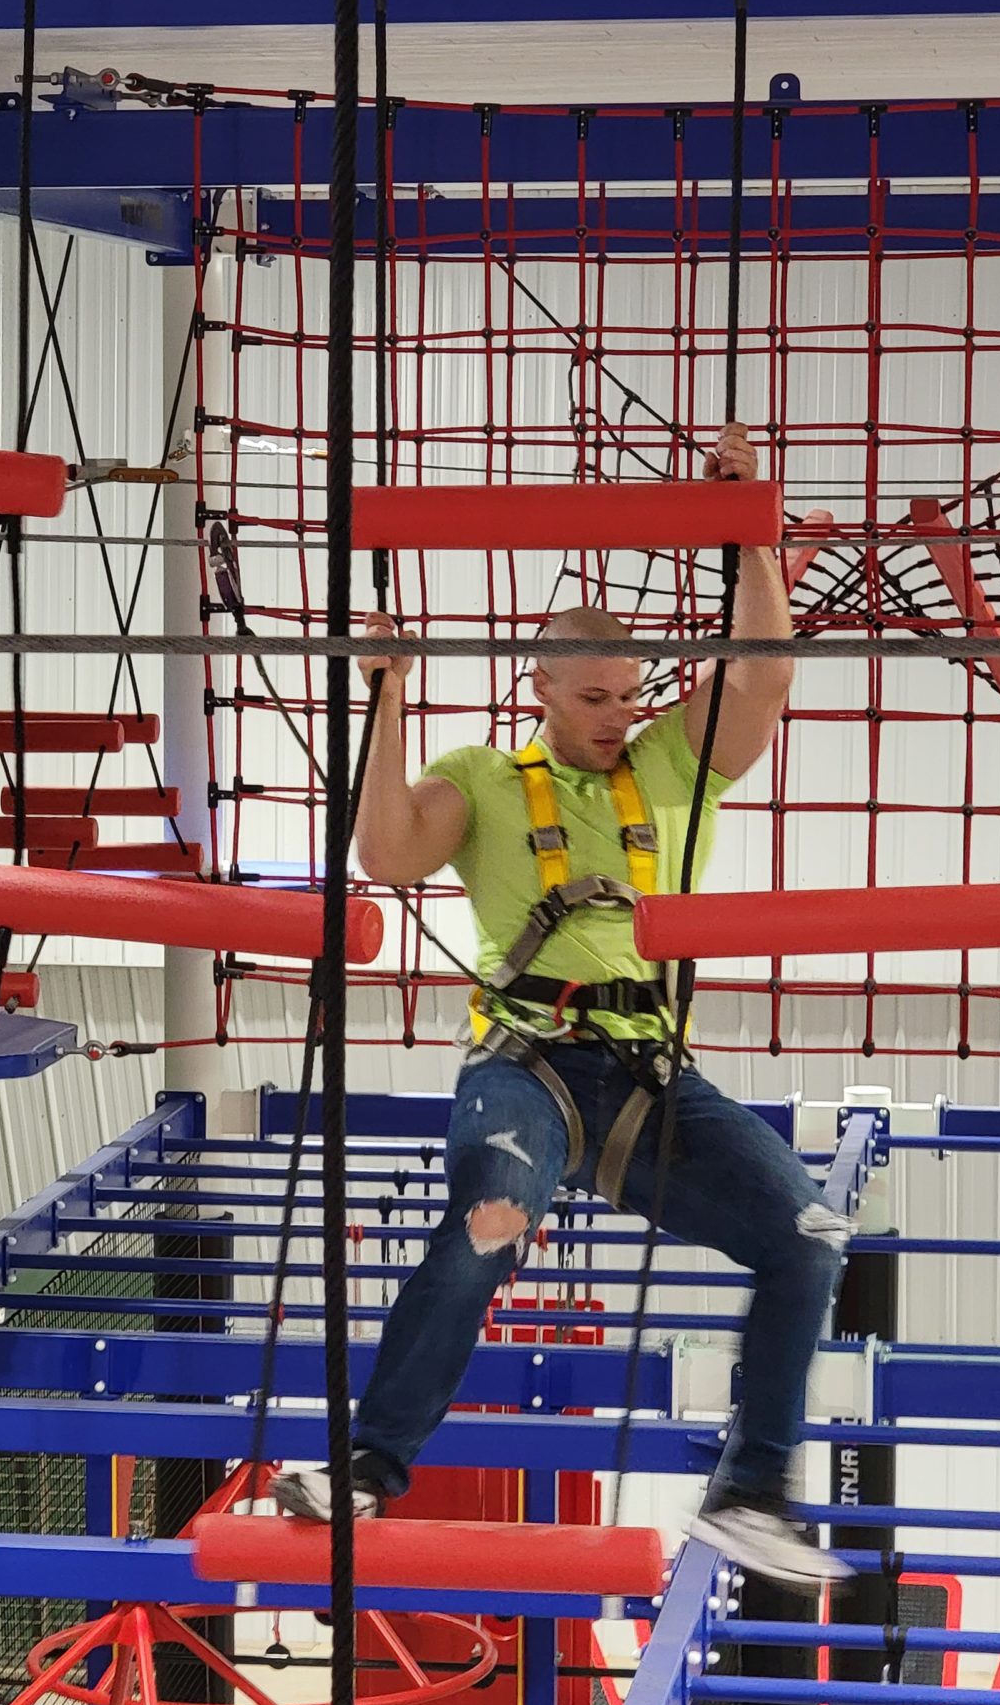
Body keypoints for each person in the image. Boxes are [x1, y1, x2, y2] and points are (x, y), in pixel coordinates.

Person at [275, 424, 851, 1590]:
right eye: (590, 696)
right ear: (536, 687)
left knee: (802, 1237)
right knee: (488, 1223)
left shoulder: (670, 766)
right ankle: (367, 1465)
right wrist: (384, 698)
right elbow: (386, 854)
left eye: (627, 694)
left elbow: (761, 672)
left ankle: (750, 1494)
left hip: (647, 1074)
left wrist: (745, 524)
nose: (612, 714)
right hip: (527, 1062)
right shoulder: (484, 779)